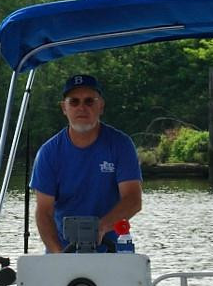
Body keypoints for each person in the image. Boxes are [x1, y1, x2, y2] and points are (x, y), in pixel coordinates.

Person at [30, 74, 142, 253]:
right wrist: (59, 256)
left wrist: (102, 227)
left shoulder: (121, 145)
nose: (81, 107)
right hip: (62, 252)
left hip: (112, 252)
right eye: (74, 102)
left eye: (89, 101)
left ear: (101, 106)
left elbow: (133, 199)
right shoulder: (48, 153)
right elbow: (43, 211)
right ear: (64, 108)